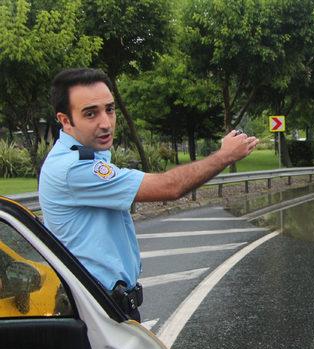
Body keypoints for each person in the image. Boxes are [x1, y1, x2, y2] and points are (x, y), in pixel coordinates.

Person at [39, 68, 258, 321]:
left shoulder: (85, 155)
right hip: (95, 313)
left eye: (109, 109)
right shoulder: (73, 168)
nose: (105, 123)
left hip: (106, 308)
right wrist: (224, 156)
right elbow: (169, 187)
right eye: (90, 113)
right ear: (65, 120)